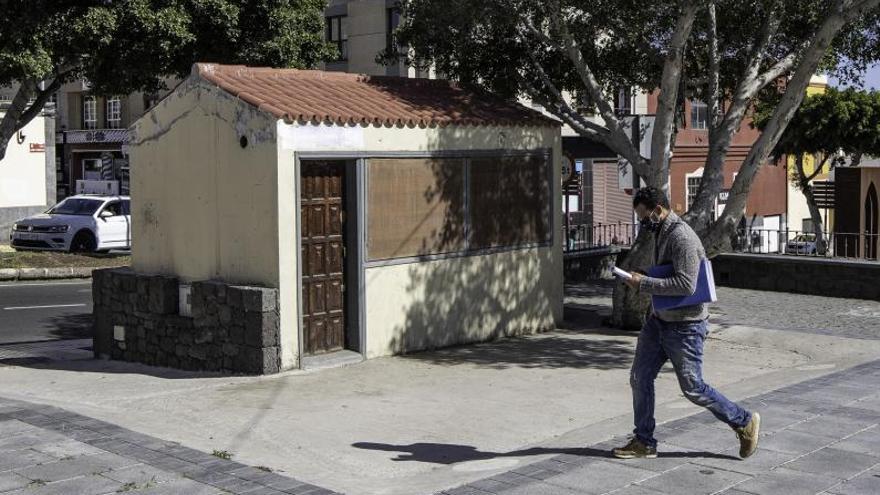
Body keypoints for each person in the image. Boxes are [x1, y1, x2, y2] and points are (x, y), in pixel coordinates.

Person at [612, 186, 760, 460]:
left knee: (693, 388)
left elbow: (686, 284)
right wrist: (643, 275)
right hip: (659, 322)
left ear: (657, 210)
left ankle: (743, 421)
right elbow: (667, 272)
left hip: (686, 327)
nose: (642, 223)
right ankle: (644, 441)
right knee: (639, 377)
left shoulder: (682, 237)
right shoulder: (661, 232)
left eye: (644, 217)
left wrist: (642, 283)